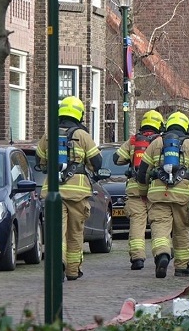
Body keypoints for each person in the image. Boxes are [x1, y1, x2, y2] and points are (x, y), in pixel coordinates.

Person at [135, 111, 189, 278]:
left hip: (158, 195)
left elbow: (142, 172)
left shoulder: (156, 143)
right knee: (182, 230)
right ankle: (182, 267)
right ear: (186, 127)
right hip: (182, 196)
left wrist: (142, 192)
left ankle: (162, 254)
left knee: (160, 229)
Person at [37, 96, 103, 280]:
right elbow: (97, 162)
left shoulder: (49, 134)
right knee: (75, 232)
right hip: (78, 193)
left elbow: (40, 160)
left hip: (54, 192)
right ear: (79, 114)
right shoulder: (82, 136)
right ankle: (73, 271)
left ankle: (58, 262)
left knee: (57, 230)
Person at [112, 109, 164, 270]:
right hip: (155, 189)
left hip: (135, 190)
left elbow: (117, 159)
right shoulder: (161, 141)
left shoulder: (134, 140)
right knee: (159, 223)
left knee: (137, 223)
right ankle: (161, 254)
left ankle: (137, 258)